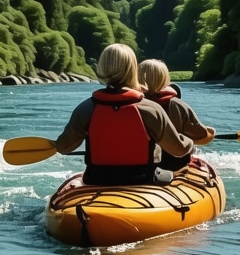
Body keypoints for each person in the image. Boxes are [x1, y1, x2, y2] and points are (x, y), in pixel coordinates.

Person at [54, 44, 194, 185]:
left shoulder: (85, 109)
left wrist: (56, 143)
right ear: (133, 69)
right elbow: (178, 150)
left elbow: (63, 148)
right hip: (144, 180)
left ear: (101, 68)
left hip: (97, 180)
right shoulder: (152, 109)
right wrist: (189, 141)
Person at [138, 58, 215, 173]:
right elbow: (202, 137)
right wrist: (211, 132)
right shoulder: (177, 105)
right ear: (164, 79)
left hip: (141, 167)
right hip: (174, 166)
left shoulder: (133, 104)